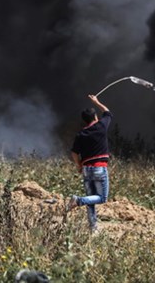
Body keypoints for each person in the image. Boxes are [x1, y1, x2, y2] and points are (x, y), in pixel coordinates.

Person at [67, 94, 112, 232]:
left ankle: (93, 229)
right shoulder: (101, 126)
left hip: (86, 169)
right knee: (102, 198)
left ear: (85, 121)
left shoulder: (81, 135)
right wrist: (96, 101)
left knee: (91, 199)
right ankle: (78, 200)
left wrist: (79, 165)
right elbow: (107, 112)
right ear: (95, 118)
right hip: (99, 168)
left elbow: (74, 152)